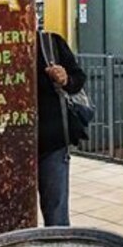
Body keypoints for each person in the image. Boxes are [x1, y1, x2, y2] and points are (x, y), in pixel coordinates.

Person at [36, 30, 86, 227]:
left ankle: (58, 245)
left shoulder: (50, 43)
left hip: (51, 142)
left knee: (56, 211)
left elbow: (78, 79)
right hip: (7, 146)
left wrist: (65, 79)